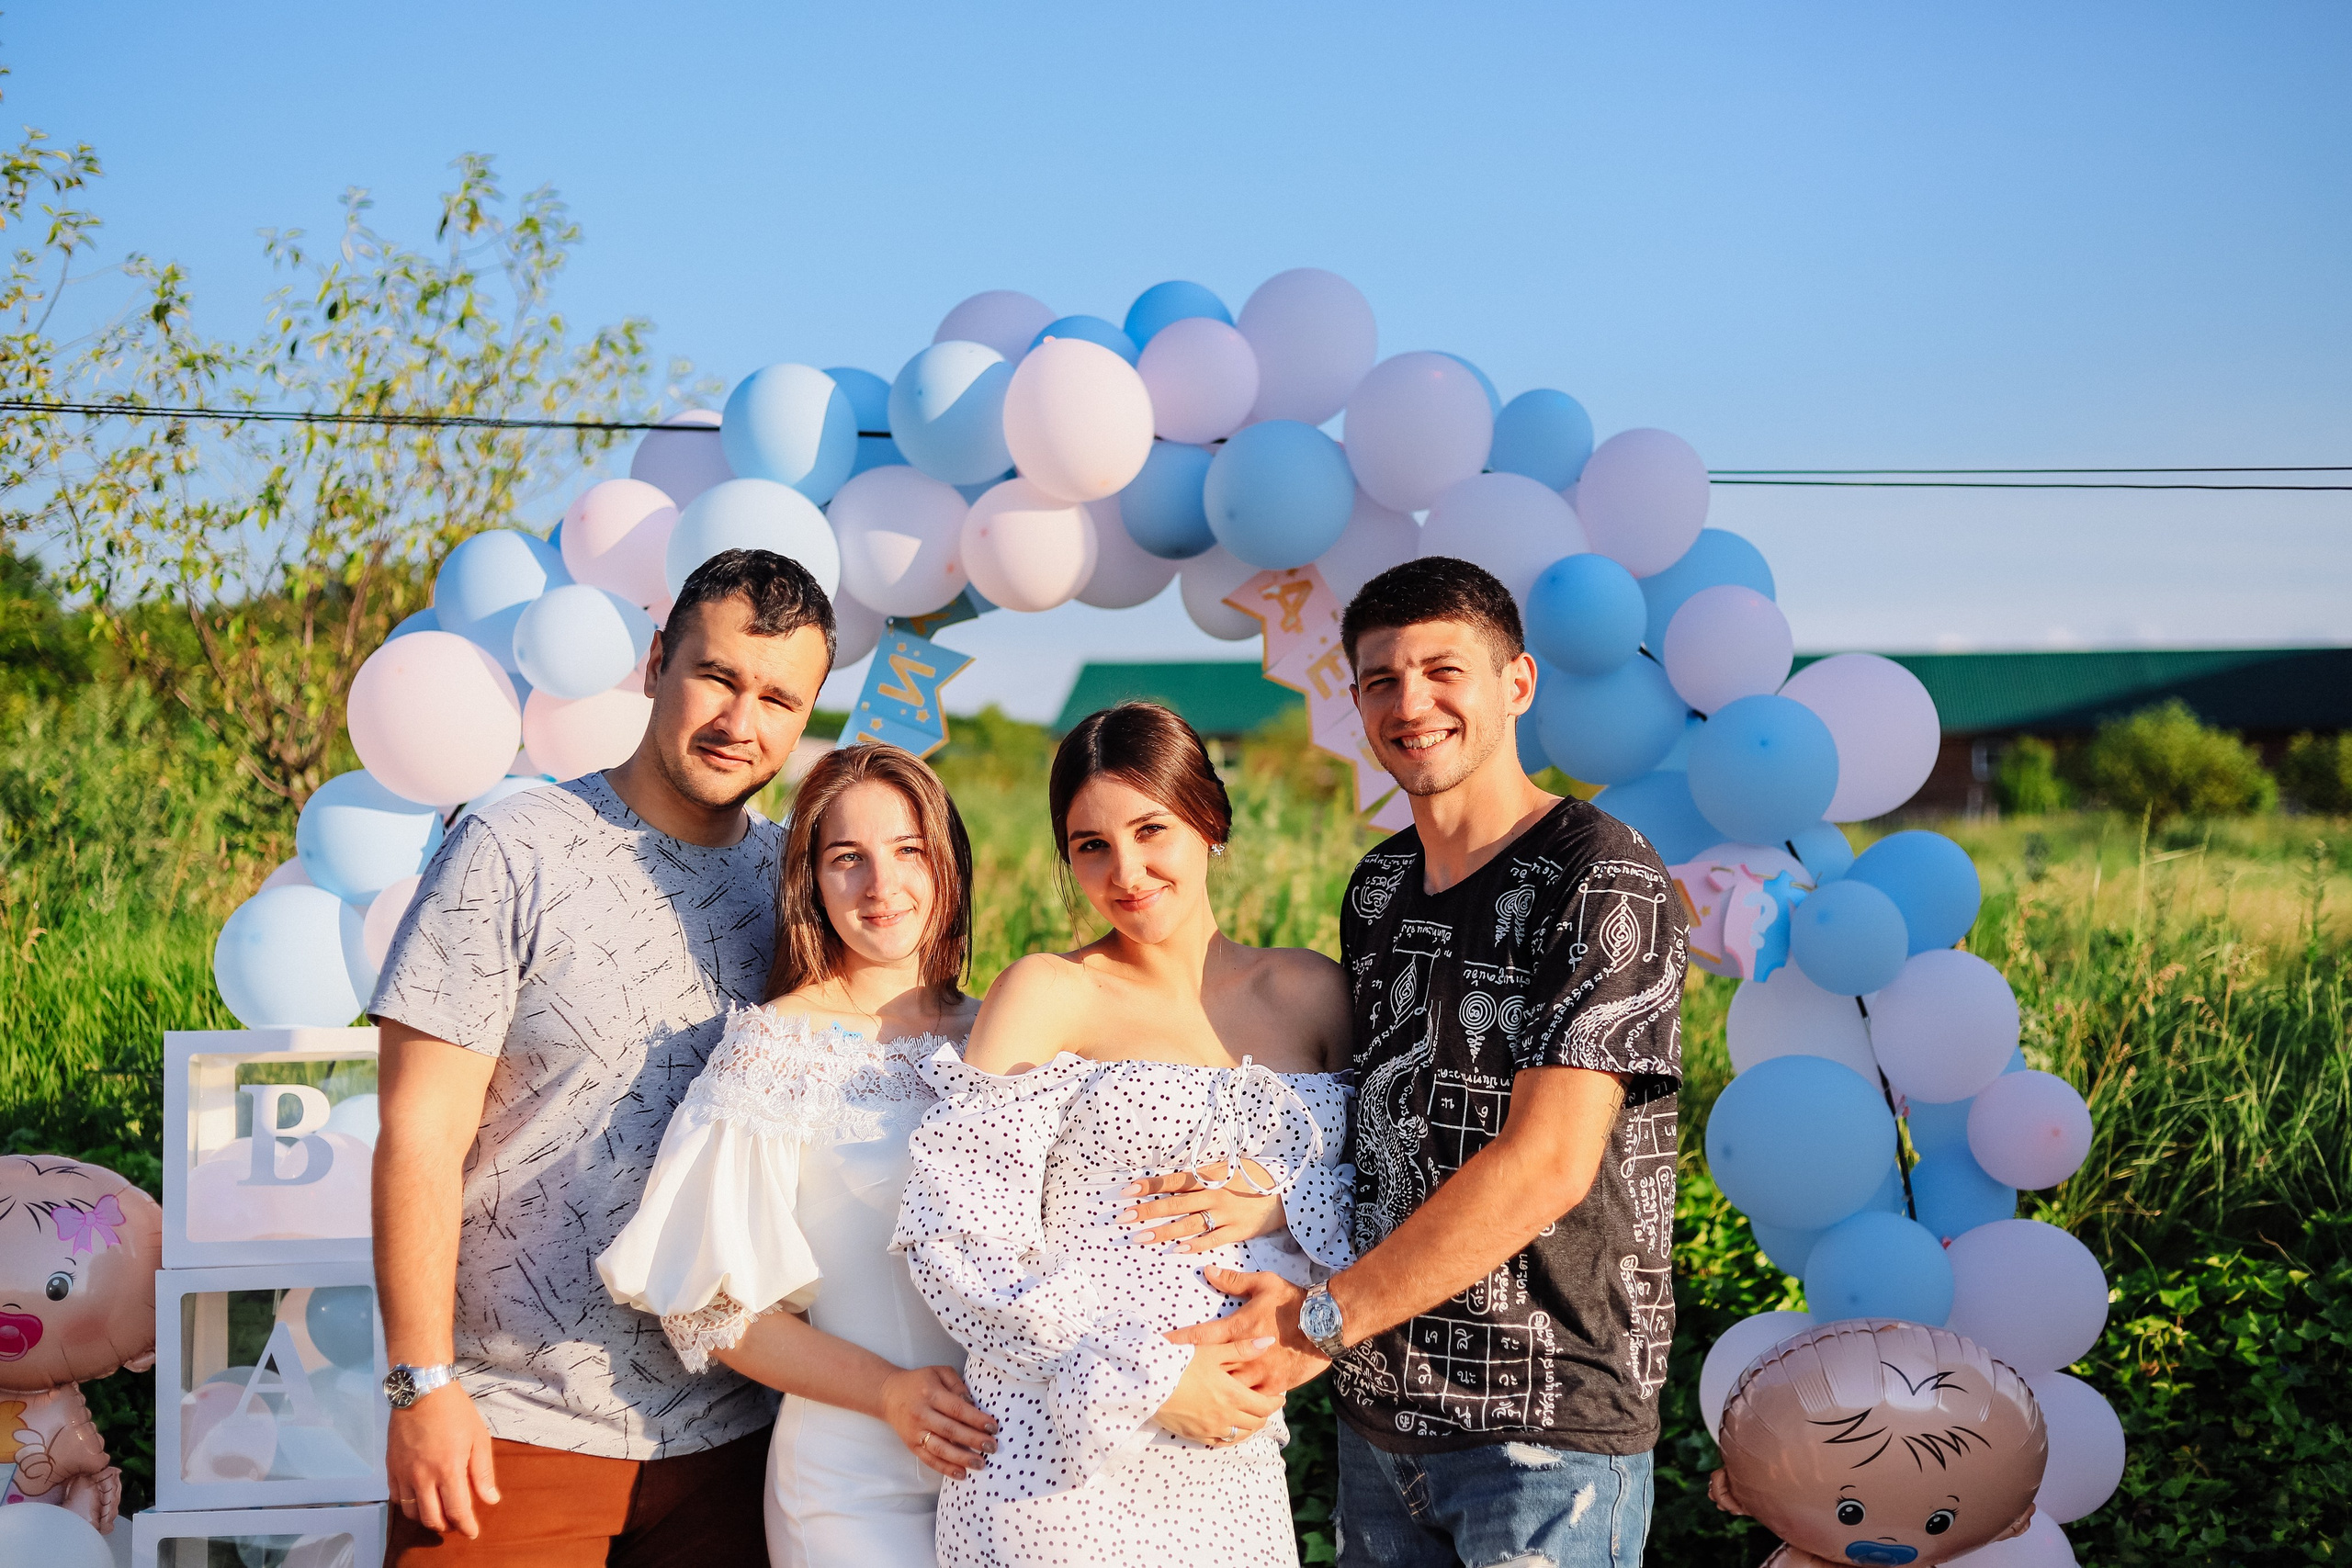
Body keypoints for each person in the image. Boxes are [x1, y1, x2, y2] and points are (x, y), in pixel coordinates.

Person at [1168, 557, 1688, 1568]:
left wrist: (1314, 1324)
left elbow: (1547, 1163)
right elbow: (1388, 1122)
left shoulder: (1599, 872)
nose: (1411, 704)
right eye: (1379, 680)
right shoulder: (1380, 886)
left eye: (1443, 669)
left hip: (1542, 1427)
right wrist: (1271, 1201)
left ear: (1517, 683)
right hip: (1380, 1421)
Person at [368, 547, 836, 1566]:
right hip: (510, 1427)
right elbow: (417, 1133)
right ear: (658, 660)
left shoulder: (798, 882)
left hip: (740, 1439)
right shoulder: (512, 848)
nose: (739, 721)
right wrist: (419, 1384)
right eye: (715, 676)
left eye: (777, 698)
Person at [888, 702, 1357, 1568]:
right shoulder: (1046, 994)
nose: (1127, 871)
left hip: (1234, 1461)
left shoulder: (1313, 993)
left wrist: (1289, 1208)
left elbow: (1397, 1193)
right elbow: (957, 1242)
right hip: (1054, 1467)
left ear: (1208, 821)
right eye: (1091, 845)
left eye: (1152, 830)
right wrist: (1149, 1378)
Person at [597, 741, 999, 1567]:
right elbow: (708, 1305)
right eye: (847, 858)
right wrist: (890, 1393)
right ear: (811, 880)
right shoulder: (775, 1048)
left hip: (1019, 1466)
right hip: (854, 1486)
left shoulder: (1009, 1032)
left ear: (948, 862)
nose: (882, 887)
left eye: (907, 851)